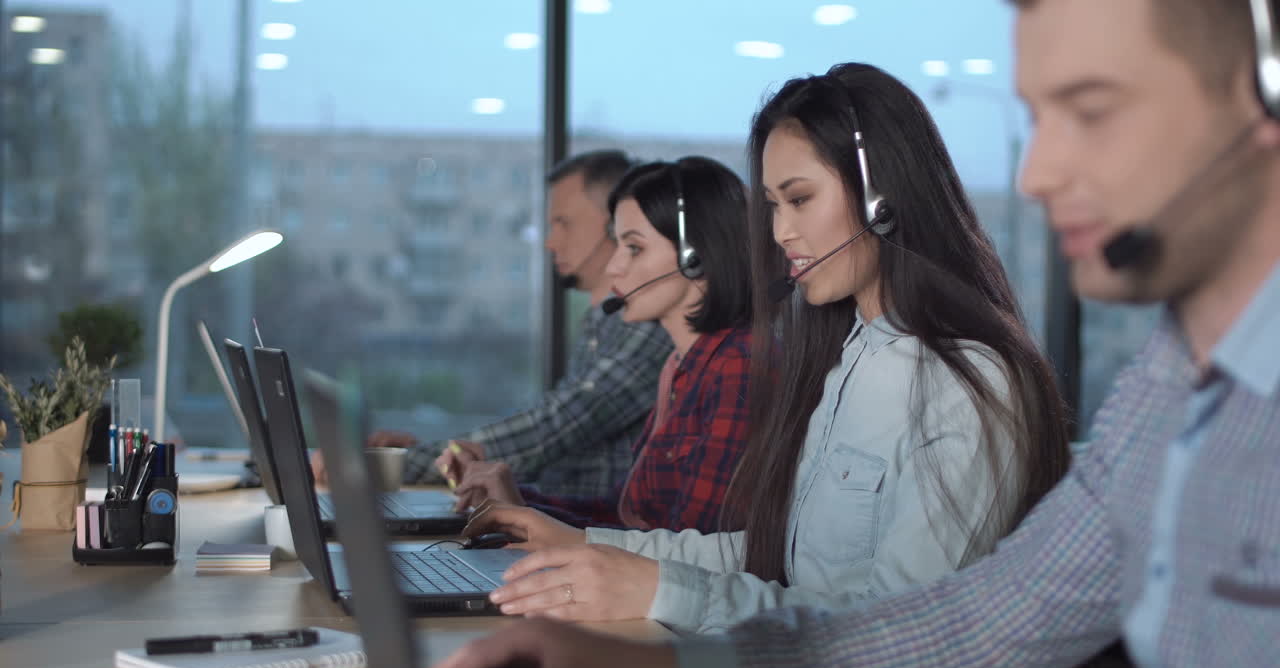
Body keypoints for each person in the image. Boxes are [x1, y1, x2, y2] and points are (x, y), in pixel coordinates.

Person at [426, 0, 1280, 668]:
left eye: (1092, 110)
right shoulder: (1167, 390)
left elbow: (920, 627)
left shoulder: (963, 380)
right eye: (1035, 121)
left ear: (1267, 92)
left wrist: (654, 604)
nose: (1037, 173)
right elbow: (970, 630)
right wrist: (639, 628)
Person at [459, 62, 1070, 636]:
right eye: (774, 206)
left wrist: (660, 591)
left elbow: (901, 635)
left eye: (799, 200)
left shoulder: (965, 384)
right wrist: (580, 545)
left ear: (882, 199)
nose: (779, 233)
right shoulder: (849, 356)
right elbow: (771, 556)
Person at [312, 151, 673, 499]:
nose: (549, 242)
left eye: (563, 223)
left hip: (586, 539)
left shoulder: (649, 328)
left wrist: (392, 465)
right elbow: (548, 445)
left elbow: (551, 429)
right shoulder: (602, 323)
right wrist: (434, 455)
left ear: (614, 225)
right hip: (566, 526)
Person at [452, 157, 754, 534]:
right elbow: (626, 517)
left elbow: (691, 551)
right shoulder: (679, 367)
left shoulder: (738, 369)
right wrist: (518, 504)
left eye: (634, 248)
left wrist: (546, 531)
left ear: (695, 257)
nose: (614, 267)